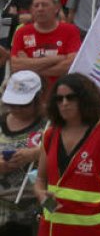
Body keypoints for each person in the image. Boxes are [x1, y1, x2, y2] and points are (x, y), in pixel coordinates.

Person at [34, 73, 100, 236]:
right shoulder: (49, 135)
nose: (64, 103)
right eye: (59, 99)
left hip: (96, 229)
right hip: (53, 229)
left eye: (71, 98)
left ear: (85, 99)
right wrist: (41, 195)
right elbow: (40, 179)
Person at [0, 71, 46, 232]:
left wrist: (35, 153)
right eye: (12, 103)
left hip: (37, 210)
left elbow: (67, 149)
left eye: (23, 104)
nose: (16, 109)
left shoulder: (51, 123)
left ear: (38, 98)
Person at [11, 0, 81, 89]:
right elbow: (16, 66)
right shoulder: (22, 32)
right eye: (36, 5)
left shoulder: (70, 30)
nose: (40, 9)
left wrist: (29, 66)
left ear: (56, 8)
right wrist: (57, 59)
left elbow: (70, 65)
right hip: (30, 92)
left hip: (60, 92)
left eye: (44, 5)